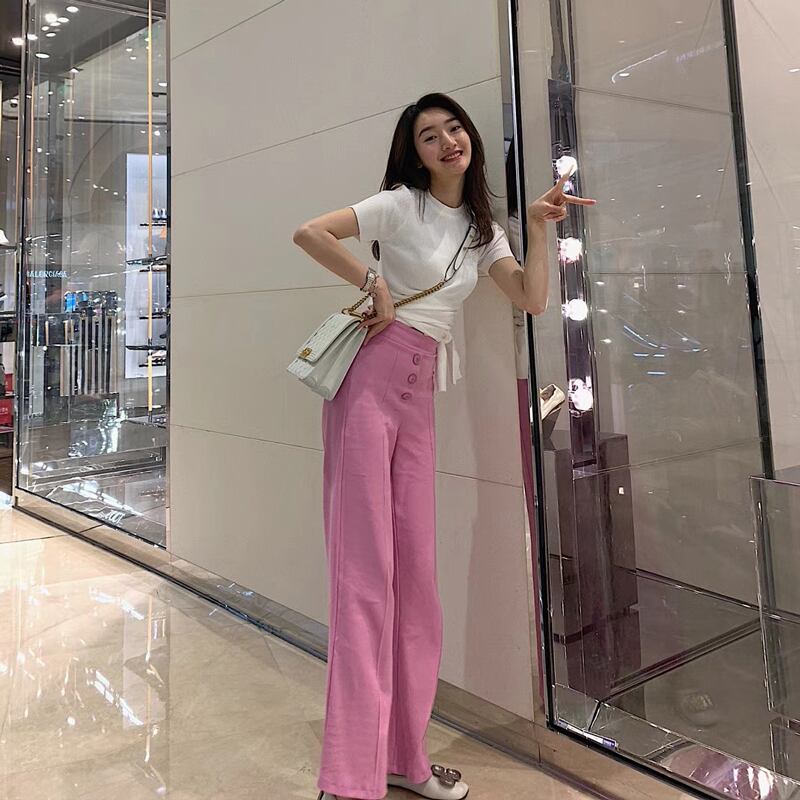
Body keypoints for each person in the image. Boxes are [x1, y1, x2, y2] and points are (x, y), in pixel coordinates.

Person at [292, 92, 595, 800]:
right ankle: (349, 776)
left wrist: (539, 227)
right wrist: (373, 283)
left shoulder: (484, 231)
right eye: (429, 136)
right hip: (369, 386)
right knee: (365, 578)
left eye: (453, 127)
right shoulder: (401, 204)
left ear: (470, 138)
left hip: (419, 396)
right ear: (416, 153)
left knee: (417, 585)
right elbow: (309, 233)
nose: (446, 141)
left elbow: (532, 298)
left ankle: (407, 758)